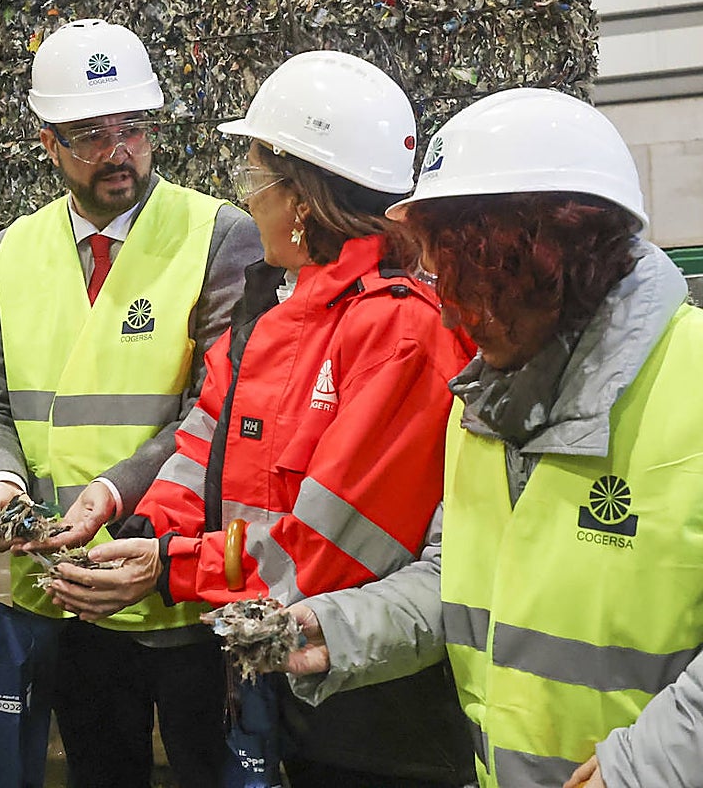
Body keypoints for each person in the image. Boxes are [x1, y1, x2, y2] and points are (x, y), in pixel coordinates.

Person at [44, 51, 477, 787]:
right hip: (283, 676)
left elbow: (329, 552)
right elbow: (203, 449)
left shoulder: (399, 332)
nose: (248, 200)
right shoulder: (281, 315)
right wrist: (142, 533)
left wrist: (169, 568)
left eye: (254, 179)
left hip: (374, 713)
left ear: (302, 200)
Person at [282, 87, 703, 788]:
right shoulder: (486, 403)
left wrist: (648, 764)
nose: (452, 314)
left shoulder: (691, 384)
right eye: (442, 274)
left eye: (479, 281)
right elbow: (460, 578)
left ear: (562, 263)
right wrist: (341, 630)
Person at [0, 18, 262, 787]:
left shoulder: (218, 235)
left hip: (179, 588)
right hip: (61, 589)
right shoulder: (10, 252)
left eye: (133, 127)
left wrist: (113, 491)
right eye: (91, 134)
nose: (119, 150)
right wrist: (0, 485)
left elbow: (218, 411)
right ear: (49, 143)